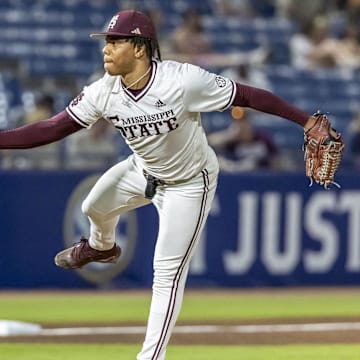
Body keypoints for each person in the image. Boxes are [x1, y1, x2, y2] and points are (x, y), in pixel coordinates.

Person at [0, 9, 340, 359]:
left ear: (139, 48)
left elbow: (250, 96)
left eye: (115, 42)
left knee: (166, 273)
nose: (106, 49)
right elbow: (51, 128)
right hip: (142, 170)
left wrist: (305, 121)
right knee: (93, 207)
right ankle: (102, 247)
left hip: (189, 182)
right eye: (106, 42)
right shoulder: (104, 91)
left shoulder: (183, 81)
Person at [208, 108, 278, 172]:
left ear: (249, 121)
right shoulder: (232, 142)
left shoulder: (263, 138)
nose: (241, 125)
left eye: (243, 120)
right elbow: (207, 144)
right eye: (237, 121)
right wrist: (228, 136)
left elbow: (276, 160)